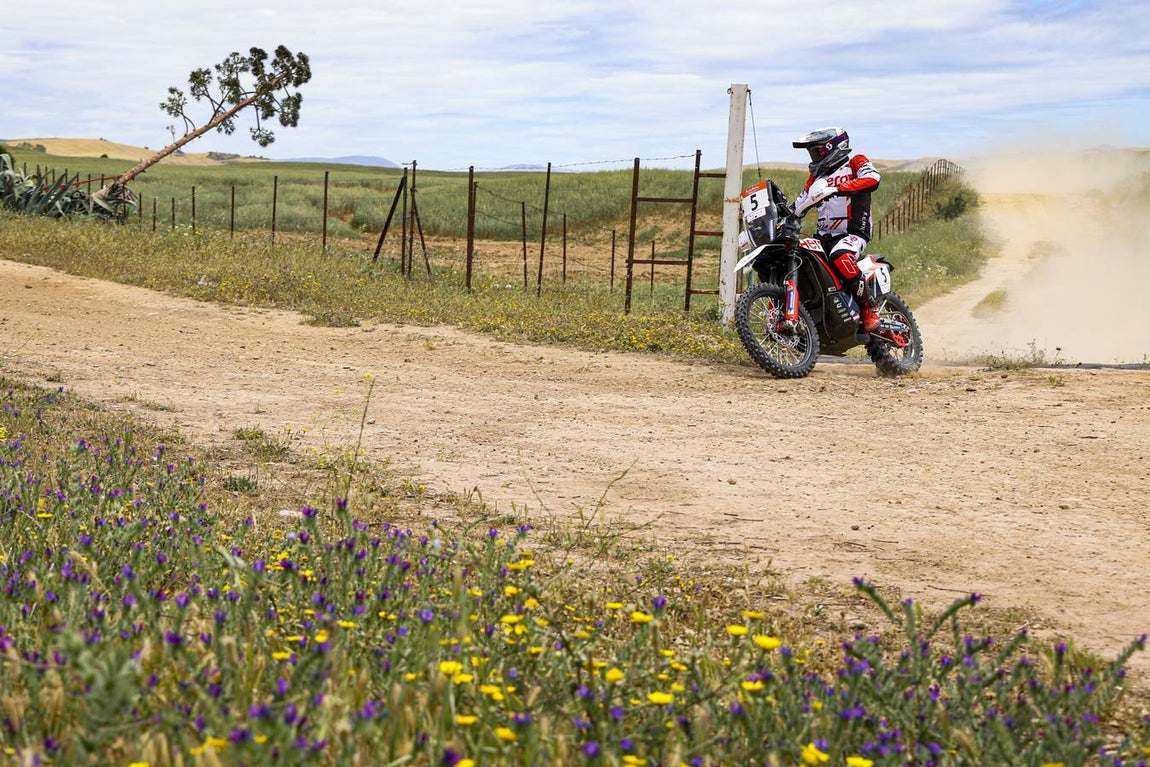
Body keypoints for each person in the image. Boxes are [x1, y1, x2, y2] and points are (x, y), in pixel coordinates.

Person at [791, 127, 883, 332]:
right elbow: (799, 203)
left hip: (852, 233)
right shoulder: (815, 178)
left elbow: (873, 179)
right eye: (812, 153)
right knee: (800, 257)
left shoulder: (855, 162)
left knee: (840, 256)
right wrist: (781, 216)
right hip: (824, 236)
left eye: (817, 152)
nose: (814, 157)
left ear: (833, 147)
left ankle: (869, 307)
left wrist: (838, 188)